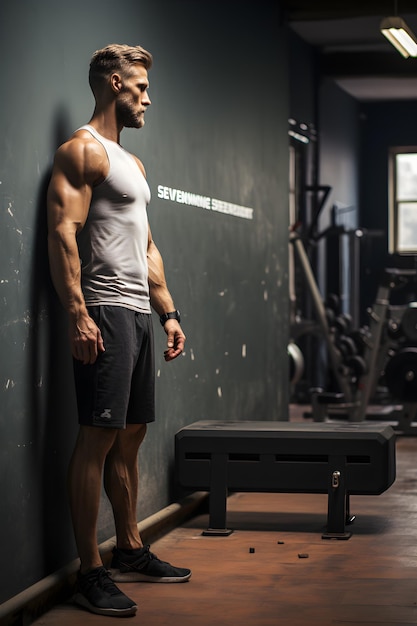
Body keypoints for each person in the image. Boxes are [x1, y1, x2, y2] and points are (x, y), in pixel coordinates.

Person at [47, 43, 190, 618]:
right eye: (140, 88)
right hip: (104, 310)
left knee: (131, 437)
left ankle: (130, 547)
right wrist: (78, 313)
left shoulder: (133, 165)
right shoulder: (81, 152)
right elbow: (64, 233)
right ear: (112, 83)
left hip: (136, 313)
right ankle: (90, 570)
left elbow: (147, 246)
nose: (147, 100)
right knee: (96, 439)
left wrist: (169, 311)